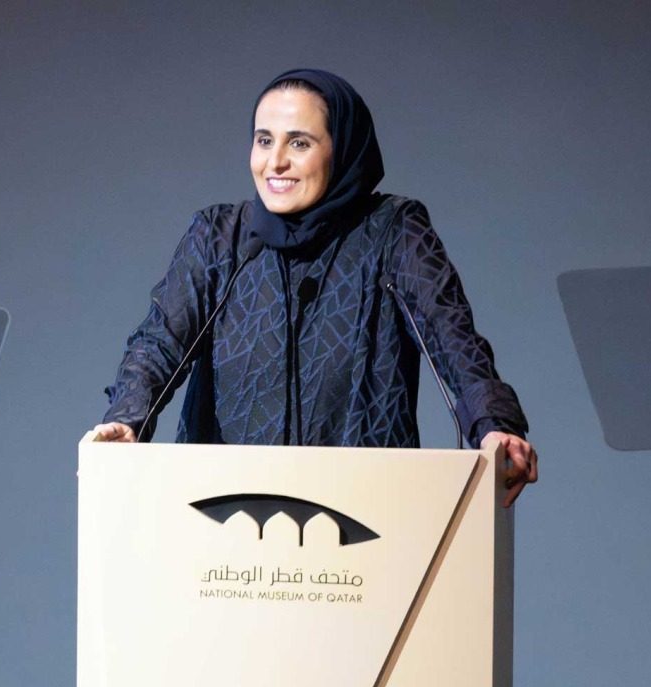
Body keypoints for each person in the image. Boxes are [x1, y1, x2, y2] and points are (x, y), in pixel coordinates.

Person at [96, 69, 537, 506]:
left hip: (364, 513)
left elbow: (452, 337)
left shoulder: (393, 233)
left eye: (299, 143)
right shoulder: (220, 237)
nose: (276, 162)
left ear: (341, 149)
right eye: (264, 140)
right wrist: (127, 419)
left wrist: (494, 423)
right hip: (225, 517)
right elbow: (158, 344)